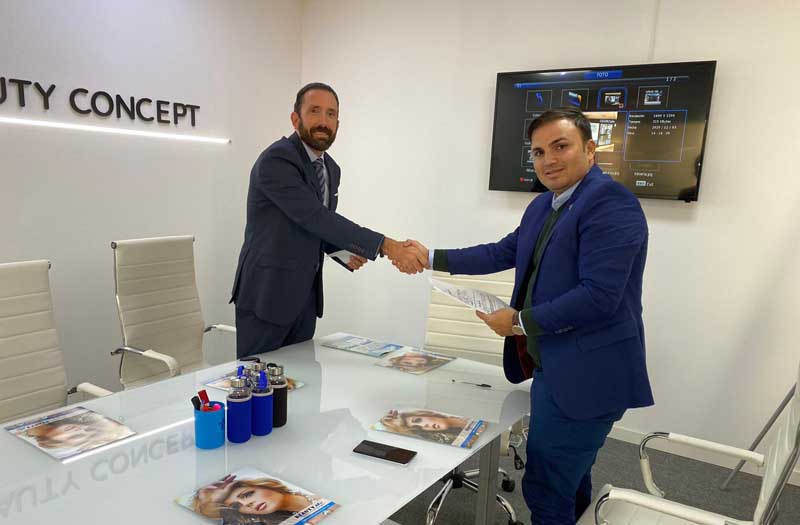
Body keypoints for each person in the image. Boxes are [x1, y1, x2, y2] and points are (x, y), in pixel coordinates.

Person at [412, 107, 654, 524]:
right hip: (554, 368)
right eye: (539, 152)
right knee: (569, 479)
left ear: (590, 150)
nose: (548, 160)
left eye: (560, 147)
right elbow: (500, 252)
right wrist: (429, 257)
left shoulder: (611, 203)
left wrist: (518, 322)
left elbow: (599, 297)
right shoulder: (545, 205)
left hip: (589, 376)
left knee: (546, 488)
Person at [231, 82, 427, 358]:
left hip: (304, 300)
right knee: (258, 381)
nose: (324, 121)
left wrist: (340, 251)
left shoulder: (330, 168)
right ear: (295, 118)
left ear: (338, 123)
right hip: (266, 296)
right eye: (315, 111)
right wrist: (388, 246)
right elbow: (315, 216)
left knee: (302, 379)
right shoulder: (277, 160)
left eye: (331, 114)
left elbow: (312, 225)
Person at [192, 474, 333, 524]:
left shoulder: (322, 493)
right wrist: (210, 500)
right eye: (237, 506)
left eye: (247, 494)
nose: (247, 504)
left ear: (266, 485)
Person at [379, 409, 469, 444]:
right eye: (419, 428)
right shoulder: (454, 439)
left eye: (418, 420)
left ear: (426, 414)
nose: (424, 425)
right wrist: (386, 422)